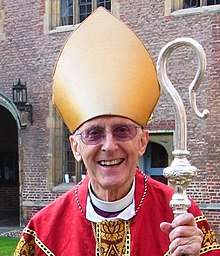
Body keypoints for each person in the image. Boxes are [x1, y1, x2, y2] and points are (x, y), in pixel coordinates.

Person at [14, 7, 220, 256]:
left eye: (122, 130)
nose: (109, 145)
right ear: (75, 147)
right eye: (93, 133)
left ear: (143, 141)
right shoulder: (43, 232)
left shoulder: (183, 220)